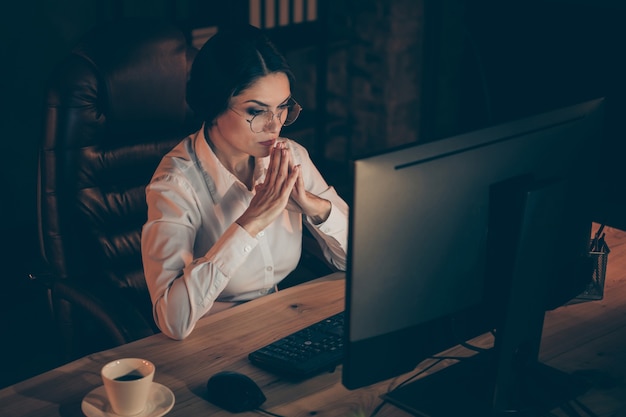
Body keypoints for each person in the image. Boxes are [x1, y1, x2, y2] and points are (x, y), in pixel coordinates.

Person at [141, 24, 349, 341]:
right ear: (214, 104)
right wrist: (249, 224)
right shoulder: (175, 184)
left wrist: (315, 207)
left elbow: (359, 260)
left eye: (282, 108)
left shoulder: (290, 157)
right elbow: (173, 320)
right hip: (209, 342)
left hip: (280, 324)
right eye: (256, 111)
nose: (274, 125)